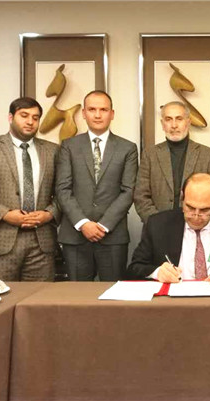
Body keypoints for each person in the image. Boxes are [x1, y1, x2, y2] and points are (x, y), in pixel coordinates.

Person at [0, 97, 59, 281]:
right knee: (1, 296)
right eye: (24, 115)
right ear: (10, 117)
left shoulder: (52, 150)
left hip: (41, 240)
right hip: (0, 238)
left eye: (35, 117)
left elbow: (63, 192)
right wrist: (5, 214)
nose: (30, 121)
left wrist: (49, 214)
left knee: (41, 296)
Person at [55, 90, 138, 281]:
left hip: (112, 235)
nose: (98, 115)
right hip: (75, 235)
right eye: (92, 109)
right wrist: (83, 223)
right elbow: (62, 189)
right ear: (84, 113)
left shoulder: (128, 148)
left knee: (114, 293)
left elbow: (128, 191)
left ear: (112, 114)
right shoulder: (69, 146)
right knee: (78, 295)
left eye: (103, 110)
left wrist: (103, 225)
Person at [128, 173, 210, 287]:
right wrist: (157, 272)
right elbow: (134, 268)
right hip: (172, 299)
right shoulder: (159, 225)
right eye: (190, 208)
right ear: (182, 197)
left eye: (204, 210)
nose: (196, 216)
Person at [133, 101, 210, 222]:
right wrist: (158, 223)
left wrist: (195, 223)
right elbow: (140, 196)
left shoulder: (209, 155)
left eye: (179, 119)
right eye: (168, 119)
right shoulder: (150, 155)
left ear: (188, 122)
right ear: (162, 124)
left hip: (197, 226)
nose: (174, 125)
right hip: (158, 226)